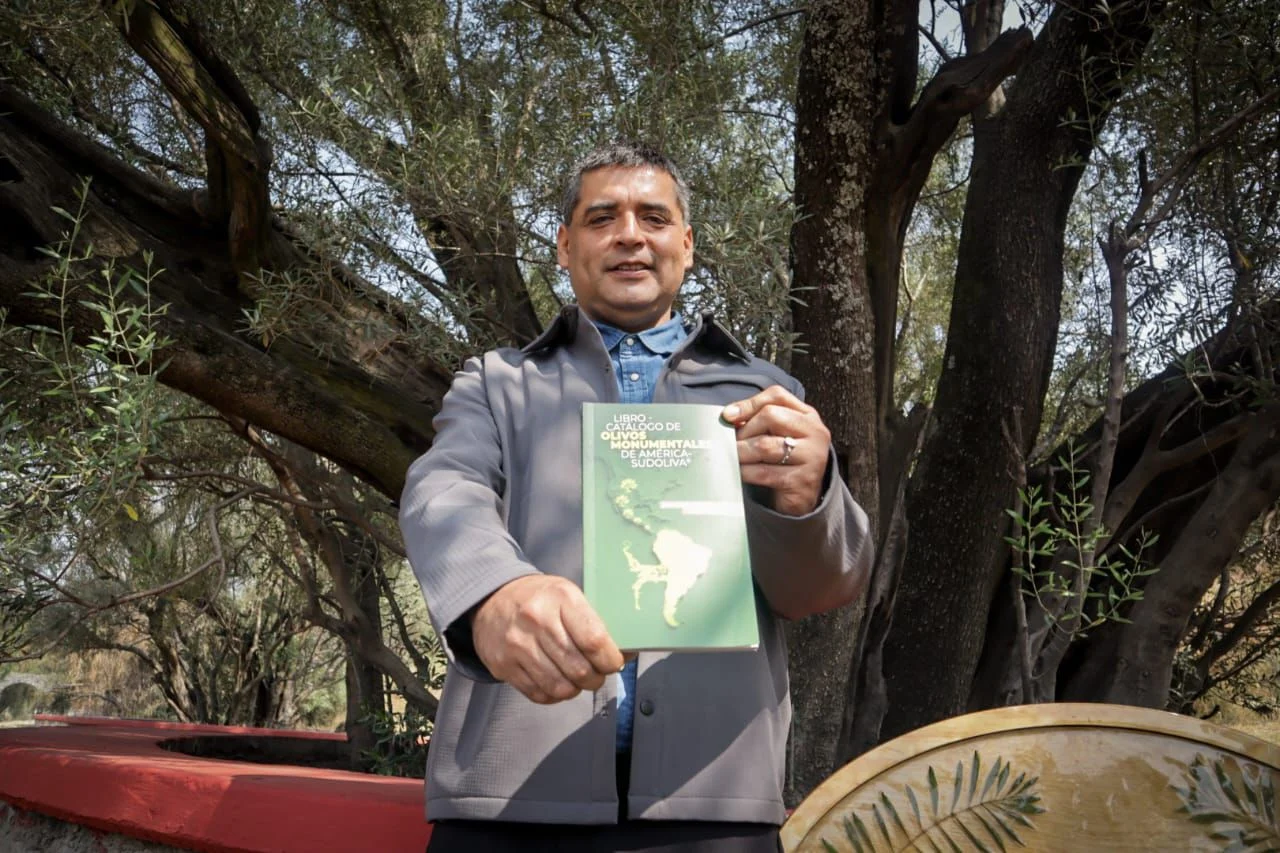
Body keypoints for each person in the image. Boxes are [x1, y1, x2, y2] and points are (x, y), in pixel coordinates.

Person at [399, 142, 873, 852]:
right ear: (565, 245)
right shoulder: (496, 384)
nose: (629, 233)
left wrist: (811, 498)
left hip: (715, 808)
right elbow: (444, 486)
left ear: (685, 243)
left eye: (654, 216)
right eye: (601, 218)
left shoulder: (768, 399)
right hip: (507, 808)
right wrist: (492, 593)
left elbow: (817, 588)